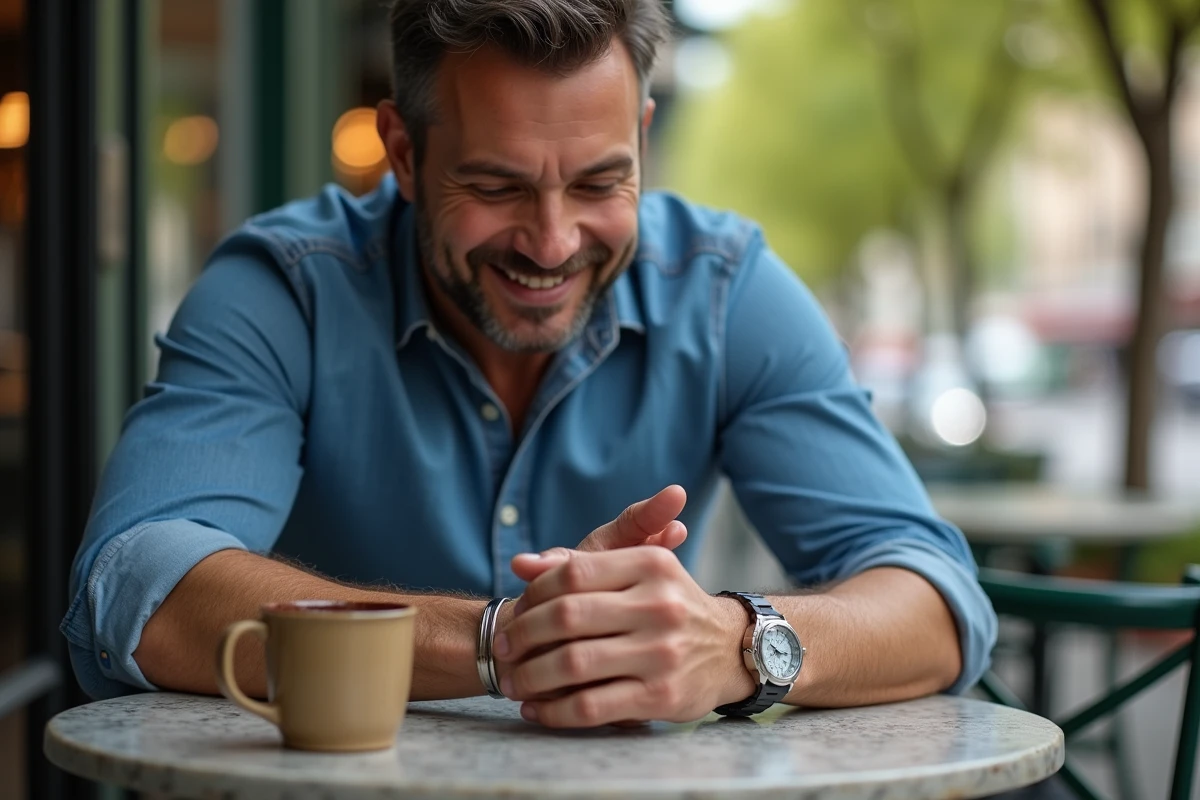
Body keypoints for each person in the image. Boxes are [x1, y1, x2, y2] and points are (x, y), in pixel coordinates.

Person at [63, 0, 996, 728]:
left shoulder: (726, 292)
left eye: (600, 182)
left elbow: (935, 602)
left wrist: (745, 642)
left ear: (641, 131)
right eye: (496, 185)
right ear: (401, 152)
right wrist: (502, 640)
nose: (552, 244)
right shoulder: (284, 290)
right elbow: (140, 584)